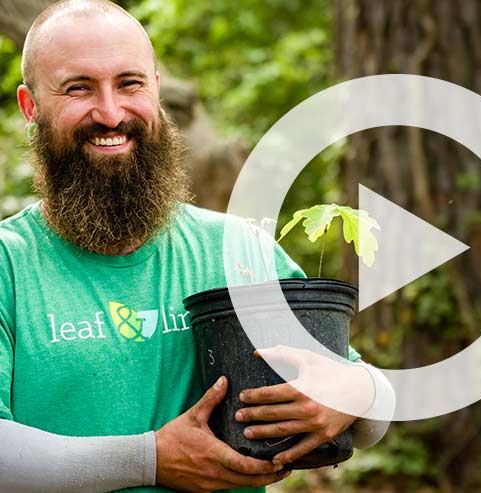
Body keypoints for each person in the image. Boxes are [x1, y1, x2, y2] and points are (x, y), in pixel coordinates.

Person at [0, 1, 394, 491]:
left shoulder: (236, 249)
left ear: (156, 89)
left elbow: (370, 414)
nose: (111, 112)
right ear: (31, 106)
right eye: (78, 88)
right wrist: (150, 459)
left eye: (129, 84)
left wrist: (356, 391)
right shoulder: (8, 264)